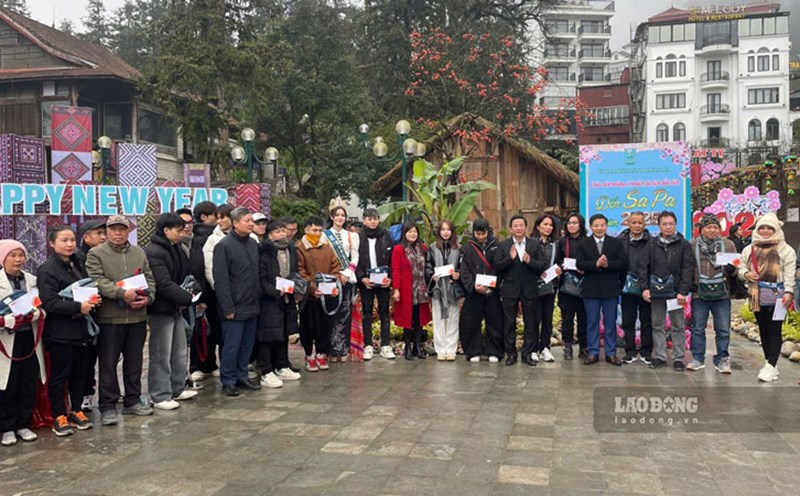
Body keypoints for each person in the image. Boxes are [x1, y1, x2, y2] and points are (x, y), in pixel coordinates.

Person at [86, 215, 156, 425]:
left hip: (136, 317)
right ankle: (107, 404)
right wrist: (120, 293)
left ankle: (133, 400)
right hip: (110, 317)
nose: (117, 233)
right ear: (107, 232)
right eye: (113, 229)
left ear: (128, 231)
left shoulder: (138, 253)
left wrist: (148, 298)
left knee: (135, 362)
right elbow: (96, 280)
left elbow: (149, 278)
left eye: (122, 229)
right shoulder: (96, 254)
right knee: (108, 363)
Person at [38, 227, 98, 436]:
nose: (70, 244)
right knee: (60, 375)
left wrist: (92, 299)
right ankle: (59, 415)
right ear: (52, 243)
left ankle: (77, 410)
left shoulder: (78, 263)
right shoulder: (47, 269)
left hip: (81, 329)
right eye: (64, 240)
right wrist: (77, 307)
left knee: (79, 374)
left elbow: (86, 287)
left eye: (72, 240)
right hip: (60, 332)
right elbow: (50, 302)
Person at [144, 214, 198, 409]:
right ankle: (159, 394)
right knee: (161, 353)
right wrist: (186, 297)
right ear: (166, 230)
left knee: (179, 350)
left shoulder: (176, 247)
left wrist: (193, 288)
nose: (181, 231)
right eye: (177, 228)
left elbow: (186, 273)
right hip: (160, 308)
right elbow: (163, 282)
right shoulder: (154, 251)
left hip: (175, 307)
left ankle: (177, 387)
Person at [738, 213, 796, 382]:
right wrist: (746, 274)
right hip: (757, 294)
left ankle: (770, 365)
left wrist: (789, 291)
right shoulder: (749, 248)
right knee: (763, 328)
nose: (764, 231)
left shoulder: (786, 250)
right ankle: (770, 363)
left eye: (769, 228)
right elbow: (741, 268)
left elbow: (790, 273)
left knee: (774, 329)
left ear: (776, 229)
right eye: (761, 227)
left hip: (779, 296)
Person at [213, 207, 262, 396]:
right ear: (235, 223)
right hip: (234, 306)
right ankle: (228, 380)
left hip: (252, 303)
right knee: (232, 345)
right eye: (247, 220)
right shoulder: (224, 246)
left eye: (252, 220)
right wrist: (227, 307)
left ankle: (242, 377)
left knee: (247, 345)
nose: (251, 224)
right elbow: (221, 280)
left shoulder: (252, 244)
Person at [0, 240, 45, 446]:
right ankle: (7, 427)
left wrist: (35, 315)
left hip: (29, 338)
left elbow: (41, 307)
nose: (18, 260)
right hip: (6, 341)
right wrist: (8, 321)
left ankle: (23, 423)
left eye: (21, 255)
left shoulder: (32, 280)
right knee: (8, 383)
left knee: (28, 381)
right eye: (13, 255)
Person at [687, 214, 738, 374]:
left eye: (715, 227)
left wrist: (733, 270)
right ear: (701, 229)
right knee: (697, 328)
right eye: (709, 227)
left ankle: (722, 359)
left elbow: (737, 267)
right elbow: (687, 266)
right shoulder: (692, 245)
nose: (712, 230)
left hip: (722, 292)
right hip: (699, 293)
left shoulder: (728, 244)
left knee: (723, 328)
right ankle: (697, 358)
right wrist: (690, 283)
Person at [642, 211, 693, 371]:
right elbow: (643, 267)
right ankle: (659, 356)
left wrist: (683, 291)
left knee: (678, 326)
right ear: (659, 226)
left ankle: (678, 358)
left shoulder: (683, 244)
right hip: (656, 291)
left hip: (675, 293)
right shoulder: (651, 244)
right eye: (665, 224)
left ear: (675, 224)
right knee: (657, 325)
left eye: (671, 223)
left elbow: (688, 267)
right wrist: (645, 288)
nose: (668, 227)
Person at [576, 214, 627, 366]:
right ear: (591, 227)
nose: (599, 228)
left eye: (602, 225)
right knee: (592, 322)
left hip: (610, 289)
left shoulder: (615, 243)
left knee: (610, 322)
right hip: (590, 289)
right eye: (596, 225)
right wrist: (595, 264)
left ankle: (611, 353)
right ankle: (593, 352)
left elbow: (623, 263)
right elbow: (580, 264)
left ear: (607, 226)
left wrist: (607, 265)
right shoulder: (583, 244)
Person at [494, 215, 543, 367]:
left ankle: (527, 354)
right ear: (511, 229)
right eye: (515, 225)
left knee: (531, 323)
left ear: (526, 227)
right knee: (509, 323)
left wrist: (530, 261)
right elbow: (497, 266)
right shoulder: (503, 245)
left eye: (521, 225)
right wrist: (510, 258)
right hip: (510, 289)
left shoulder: (535, 245)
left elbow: (542, 265)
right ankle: (511, 354)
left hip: (529, 289)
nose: (519, 228)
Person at [257, 220, 301, 388]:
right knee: (268, 336)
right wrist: (275, 291)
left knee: (284, 333)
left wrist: (296, 288)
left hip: (287, 297)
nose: (282, 234)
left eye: (283, 231)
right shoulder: (263, 251)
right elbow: (261, 279)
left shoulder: (290, 249)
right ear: (269, 235)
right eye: (277, 232)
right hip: (269, 300)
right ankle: (266, 371)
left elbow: (293, 272)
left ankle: (282, 366)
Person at [192, 203, 233, 381]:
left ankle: (212, 364)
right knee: (202, 330)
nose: (219, 220)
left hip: (221, 292)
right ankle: (198, 365)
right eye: (216, 216)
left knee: (217, 330)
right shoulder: (202, 238)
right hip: (207, 291)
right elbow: (200, 268)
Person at [297, 216, 344, 371]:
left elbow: (335, 268)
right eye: (314, 230)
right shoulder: (300, 248)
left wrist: (333, 283)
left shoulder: (327, 248)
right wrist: (312, 288)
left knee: (325, 326)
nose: (317, 233)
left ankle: (322, 353)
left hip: (326, 295)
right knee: (308, 327)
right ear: (306, 230)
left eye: (319, 230)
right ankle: (309, 354)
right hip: (309, 298)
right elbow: (300, 272)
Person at [458, 219, 503, 362]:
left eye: (484, 233)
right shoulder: (467, 248)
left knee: (494, 321)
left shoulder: (496, 246)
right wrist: (472, 286)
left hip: (492, 290)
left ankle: (494, 350)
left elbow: (499, 267)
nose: (482, 237)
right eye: (478, 233)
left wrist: (493, 284)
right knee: (471, 322)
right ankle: (473, 350)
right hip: (474, 291)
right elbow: (463, 270)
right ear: (474, 233)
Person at [355, 208, 395, 360]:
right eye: (369, 219)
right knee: (367, 313)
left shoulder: (386, 236)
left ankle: (385, 345)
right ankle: (368, 345)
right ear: (364, 221)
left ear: (379, 220)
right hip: (367, 281)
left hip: (383, 281)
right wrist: (361, 278)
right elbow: (355, 260)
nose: (373, 222)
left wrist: (390, 278)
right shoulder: (358, 238)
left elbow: (392, 259)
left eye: (375, 219)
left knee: (385, 312)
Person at [76, 218, 106, 411]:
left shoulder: (106, 254)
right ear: (86, 237)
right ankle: (82, 397)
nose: (103, 237)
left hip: (101, 313)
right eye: (99, 234)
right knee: (84, 361)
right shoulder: (79, 258)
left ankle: (90, 393)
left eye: (105, 233)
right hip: (82, 316)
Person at [323, 207, 359, 362]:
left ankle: (343, 349)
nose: (339, 218)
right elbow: (324, 258)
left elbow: (355, 257)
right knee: (331, 314)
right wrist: (337, 274)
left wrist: (346, 273)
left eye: (342, 215)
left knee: (345, 314)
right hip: (331, 279)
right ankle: (330, 350)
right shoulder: (324, 235)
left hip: (348, 279)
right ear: (331, 217)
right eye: (337, 215)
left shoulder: (352, 236)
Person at [392, 222, 432, 360]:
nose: (412, 234)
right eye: (409, 232)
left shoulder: (423, 248)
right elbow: (396, 270)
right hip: (406, 289)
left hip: (421, 289)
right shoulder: (398, 249)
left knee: (419, 319)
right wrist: (396, 289)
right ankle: (407, 347)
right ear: (404, 233)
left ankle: (417, 346)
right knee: (407, 319)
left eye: (415, 232)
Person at [617, 211, 653, 365]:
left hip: (646, 288)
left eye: (640, 222)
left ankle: (646, 351)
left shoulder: (652, 241)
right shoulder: (620, 241)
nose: (637, 225)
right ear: (628, 223)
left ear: (644, 224)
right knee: (628, 321)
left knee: (647, 320)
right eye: (634, 222)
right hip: (627, 288)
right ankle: (630, 351)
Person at [424, 219, 462, 361]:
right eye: (443, 229)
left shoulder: (459, 248)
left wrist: (458, 274)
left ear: (452, 232)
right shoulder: (432, 248)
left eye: (448, 229)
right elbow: (427, 266)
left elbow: (462, 266)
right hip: (438, 289)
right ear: (439, 232)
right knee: (438, 319)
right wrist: (431, 275)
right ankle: (440, 349)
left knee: (453, 318)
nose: (446, 232)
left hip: (453, 288)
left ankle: (451, 349)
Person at [556, 212, 587, 360]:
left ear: (580, 225)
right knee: (567, 318)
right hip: (566, 286)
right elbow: (556, 262)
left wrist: (585, 268)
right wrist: (561, 267)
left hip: (585, 285)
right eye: (569, 223)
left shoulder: (588, 241)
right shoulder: (562, 242)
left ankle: (583, 347)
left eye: (575, 223)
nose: (571, 225)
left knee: (584, 318)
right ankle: (567, 347)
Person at [531, 214, 560, 363]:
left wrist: (560, 269)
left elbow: (559, 261)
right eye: (545, 224)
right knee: (534, 318)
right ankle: (534, 348)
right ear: (538, 226)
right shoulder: (531, 243)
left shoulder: (555, 244)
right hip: (533, 285)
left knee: (547, 318)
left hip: (550, 285)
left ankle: (545, 347)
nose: (548, 227)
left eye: (550, 225)